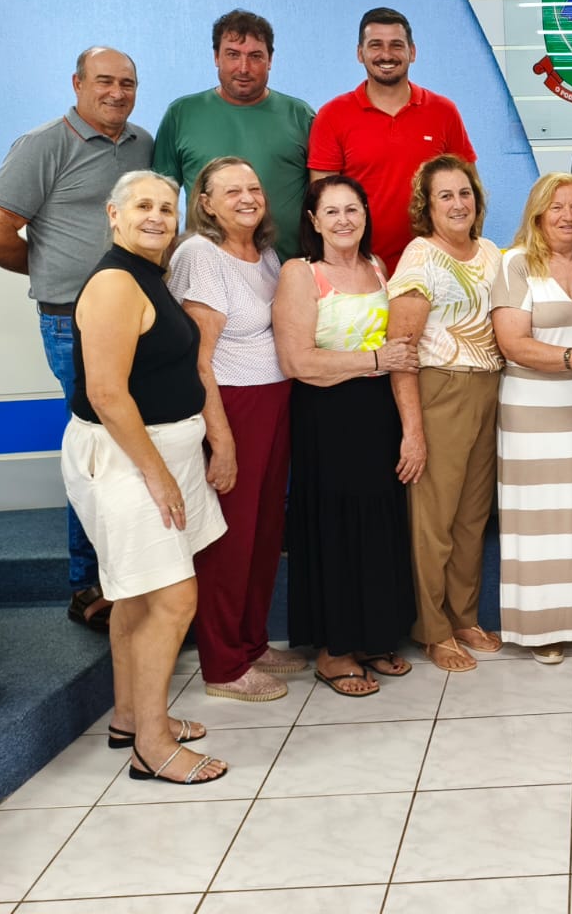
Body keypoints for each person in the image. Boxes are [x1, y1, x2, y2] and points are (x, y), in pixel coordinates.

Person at [0, 46, 154, 635]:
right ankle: (88, 585)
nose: (117, 93)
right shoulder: (44, 143)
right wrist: (51, 270)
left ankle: (132, 576)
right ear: (77, 83)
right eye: (104, 81)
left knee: (131, 444)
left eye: (127, 83)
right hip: (72, 322)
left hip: (134, 319)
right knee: (98, 449)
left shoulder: (142, 144)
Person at [60, 170, 229, 785]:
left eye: (166, 207)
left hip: (159, 455)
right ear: (113, 214)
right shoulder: (112, 283)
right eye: (142, 206)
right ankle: (152, 747)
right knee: (172, 596)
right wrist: (157, 476)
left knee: (134, 591)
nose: (157, 216)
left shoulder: (144, 274)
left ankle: (131, 717)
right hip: (128, 460)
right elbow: (107, 394)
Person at [273, 175, 419, 697]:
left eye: (352, 209)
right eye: (330, 212)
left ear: (366, 214)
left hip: (376, 413)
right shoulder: (301, 274)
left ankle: (374, 635)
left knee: (378, 523)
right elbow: (296, 361)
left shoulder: (379, 268)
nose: (343, 220)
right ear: (313, 220)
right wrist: (375, 360)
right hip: (326, 415)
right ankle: (335, 651)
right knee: (334, 528)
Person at [168, 157, 306, 701]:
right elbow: (198, 360)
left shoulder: (265, 253)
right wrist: (220, 441)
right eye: (231, 191)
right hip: (230, 407)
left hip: (275, 400)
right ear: (204, 201)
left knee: (265, 530)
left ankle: (251, 640)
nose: (248, 197)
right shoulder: (200, 256)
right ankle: (223, 664)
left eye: (254, 186)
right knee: (229, 539)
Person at [490, 173, 572, 664]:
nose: (568, 217)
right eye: (556, 207)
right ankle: (541, 628)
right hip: (532, 412)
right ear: (537, 213)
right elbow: (513, 344)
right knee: (539, 523)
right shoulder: (515, 264)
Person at [387, 156, 505, 672]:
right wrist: (413, 430)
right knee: (433, 520)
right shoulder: (420, 258)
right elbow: (401, 351)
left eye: (465, 194)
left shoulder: (493, 253)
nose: (458, 204)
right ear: (427, 206)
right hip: (442, 391)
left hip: (490, 390)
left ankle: (463, 617)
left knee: (471, 517)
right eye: (445, 196)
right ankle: (432, 629)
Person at [308, 7, 476, 269]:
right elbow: (323, 203)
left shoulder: (444, 112)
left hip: (437, 268)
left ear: (412, 52)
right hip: (362, 271)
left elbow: (469, 191)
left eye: (396, 45)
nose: (386, 55)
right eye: (375, 45)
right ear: (360, 53)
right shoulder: (332, 116)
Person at [153, 10, 315, 261]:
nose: (243, 68)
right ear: (216, 57)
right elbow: (161, 199)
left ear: (270, 60)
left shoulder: (300, 116)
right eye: (232, 55)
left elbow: (321, 197)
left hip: (290, 271)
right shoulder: (181, 114)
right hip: (205, 274)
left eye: (255, 56)